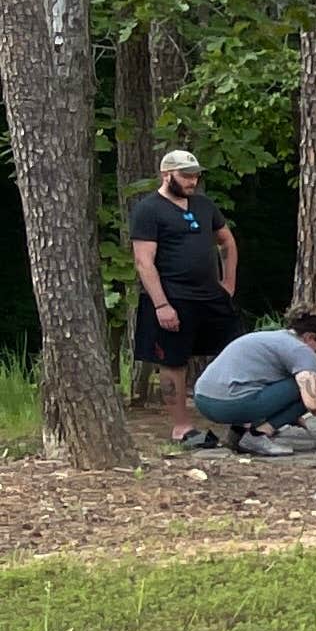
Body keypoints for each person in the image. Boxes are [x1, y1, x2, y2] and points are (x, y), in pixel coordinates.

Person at [129, 149, 246, 432]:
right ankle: (182, 426)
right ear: (167, 174)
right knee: (173, 360)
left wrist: (228, 283)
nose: (192, 182)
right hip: (173, 296)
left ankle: (239, 417)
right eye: (186, 176)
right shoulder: (149, 209)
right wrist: (161, 305)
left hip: (210, 295)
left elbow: (227, 242)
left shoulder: (204, 205)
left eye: (195, 176)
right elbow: (144, 261)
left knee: (236, 349)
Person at [191, 311, 316, 457]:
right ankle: (258, 434)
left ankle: (238, 434)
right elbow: (313, 404)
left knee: (249, 385)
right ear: (310, 337)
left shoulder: (274, 338)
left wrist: (290, 415)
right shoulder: (300, 350)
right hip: (230, 405)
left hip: (203, 400)